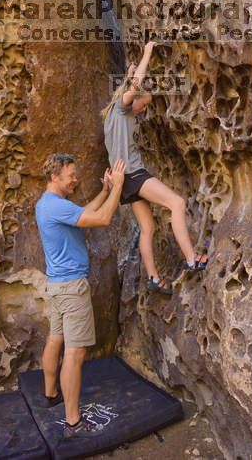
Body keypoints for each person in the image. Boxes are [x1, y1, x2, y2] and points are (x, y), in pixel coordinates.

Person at [101, 41, 208, 295]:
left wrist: (128, 77)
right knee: (177, 204)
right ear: (132, 100)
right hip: (134, 175)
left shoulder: (112, 116)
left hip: (122, 180)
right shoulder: (123, 109)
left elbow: (129, 87)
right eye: (144, 104)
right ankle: (192, 258)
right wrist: (147, 53)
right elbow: (134, 86)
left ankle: (153, 278)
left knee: (147, 227)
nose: (144, 109)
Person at [35, 153, 125, 438]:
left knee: (56, 339)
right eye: (71, 175)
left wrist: (106, 190)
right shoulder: (56, 206)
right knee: (75, 353)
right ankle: (73, 422)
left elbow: (84, 212)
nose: (76, 179)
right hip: (72, 289)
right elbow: (102, 218)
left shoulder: (48, 204)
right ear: (55, 176)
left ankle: (50, 394)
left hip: (56, 286)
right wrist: (119, 186)